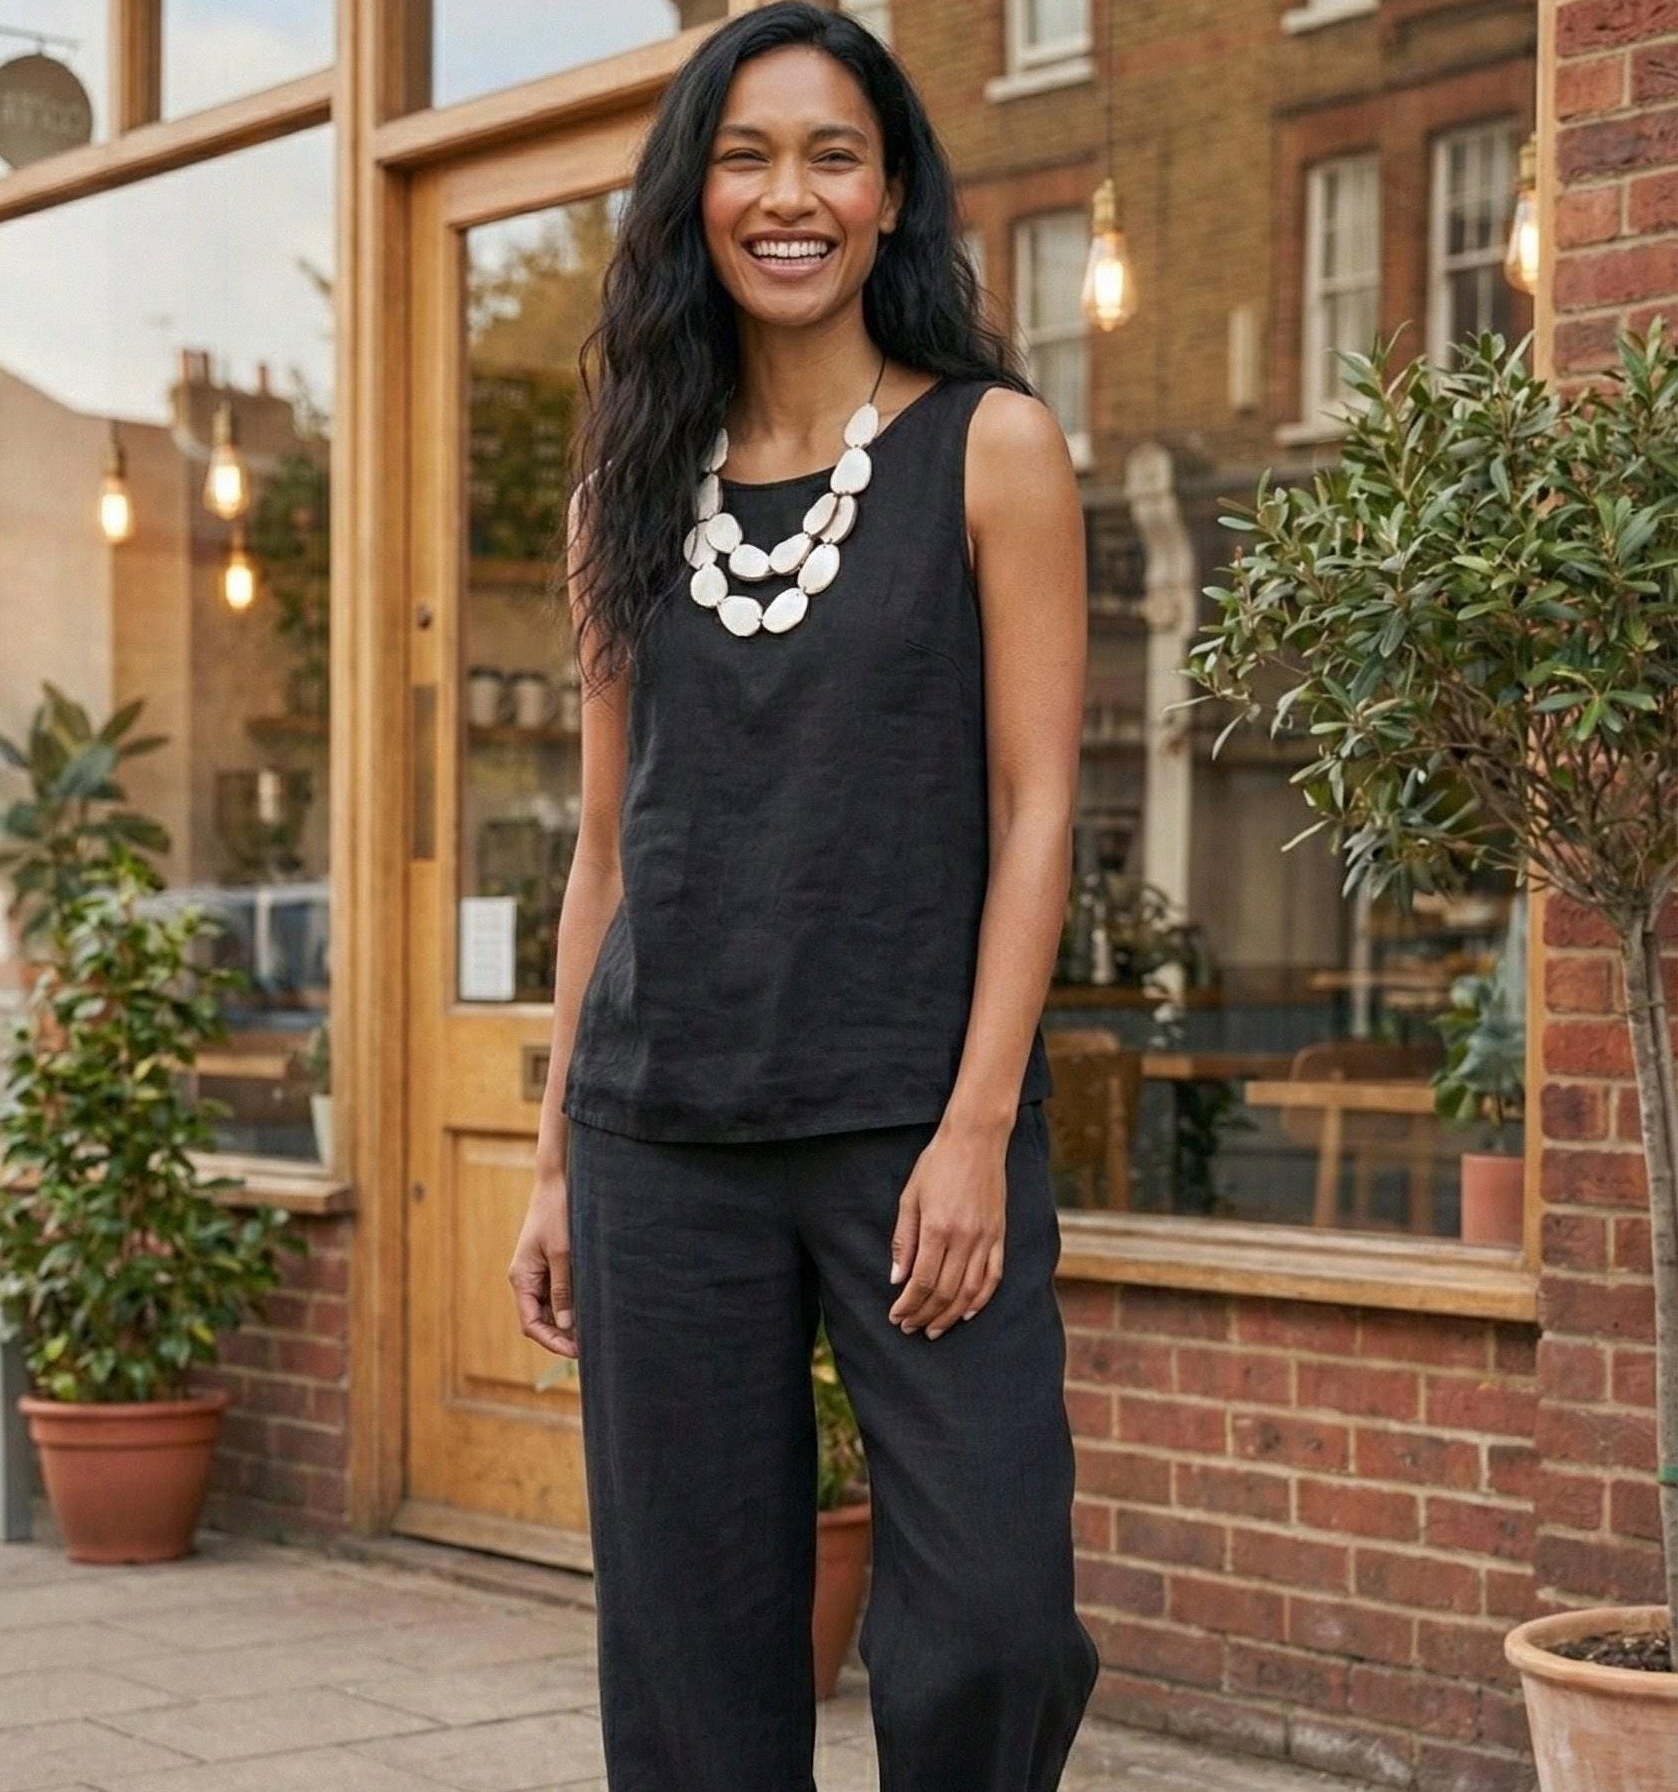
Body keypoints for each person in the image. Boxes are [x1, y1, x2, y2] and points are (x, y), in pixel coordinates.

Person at [508, 5, 1096, 1787]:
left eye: (832, 156)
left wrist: (978, 1127)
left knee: (996, 1621)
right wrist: (550, 1162)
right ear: (693, 198)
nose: (789, 196)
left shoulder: (991, 447)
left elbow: (1037, 808)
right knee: (690, 1655)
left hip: (914, 1130)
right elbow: (606, 845)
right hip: (660, 1136)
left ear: (890, 192)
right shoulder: (628, 482)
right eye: (745, 157)